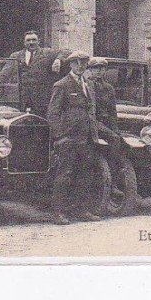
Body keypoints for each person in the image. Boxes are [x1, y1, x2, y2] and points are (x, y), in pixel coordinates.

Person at [47, 51, 103, 225]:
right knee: (64, 174)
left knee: (85, 174)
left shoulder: (89, 84)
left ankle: (82, 210)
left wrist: (94, 134)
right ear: (70, 64)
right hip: (69, 138)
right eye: (76, 63)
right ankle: (59, 213)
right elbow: (53, 113)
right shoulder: (61, 85)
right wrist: (60, 136)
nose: (80, 66)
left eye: (83, 63)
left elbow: (91, 110)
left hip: (87, 137)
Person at [0, 31, 68, 116]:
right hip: (21, 99)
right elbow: (4, 75)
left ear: (39, 41)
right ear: (24, 42)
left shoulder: (47, 53)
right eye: (28, 40)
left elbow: (66, 52)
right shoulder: (16, 56)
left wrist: (58, 59)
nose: (31, 42)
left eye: (34, 40)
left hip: (42, 99)